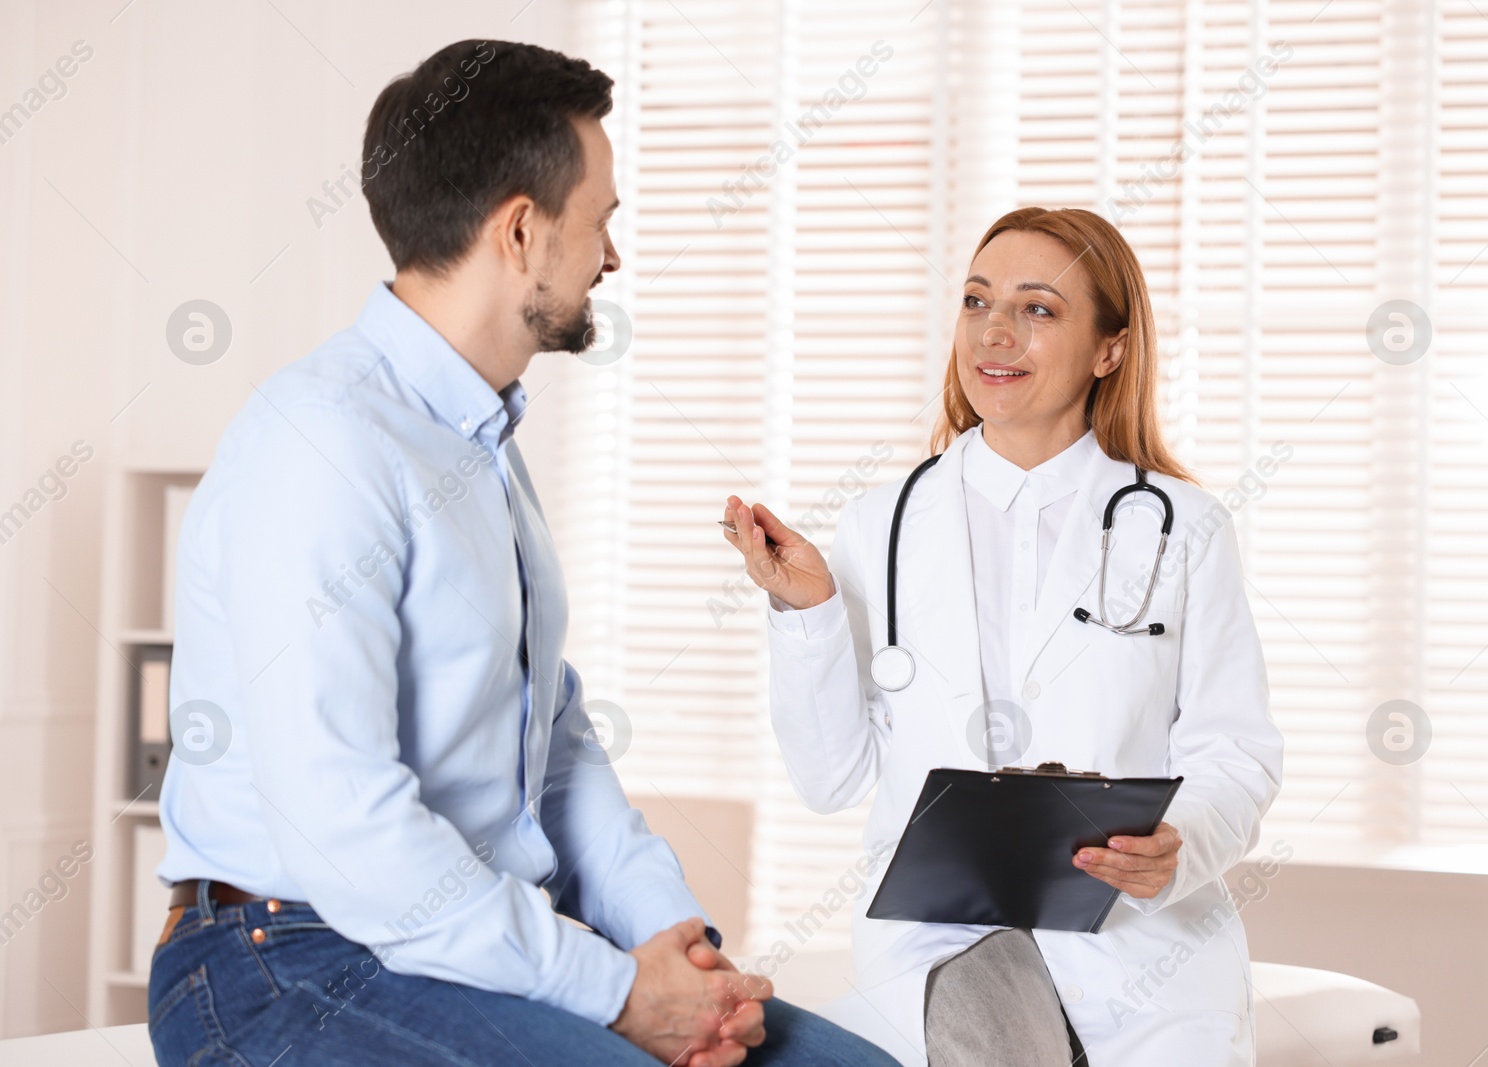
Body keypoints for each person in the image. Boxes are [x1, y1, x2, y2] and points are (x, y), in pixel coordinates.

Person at [149, 39, 898, 1067]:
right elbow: (345, 828)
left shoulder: (478, 445)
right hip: (290, 957)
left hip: (461, 943)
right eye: (602, 223)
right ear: (519, 230)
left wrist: (680, 957)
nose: (612, 258)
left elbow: (560, 751)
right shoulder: (320, 441)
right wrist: (616, 990)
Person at [723, 206, 1285, 1066]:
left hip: (1133, 938)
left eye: (1039, 308)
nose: (997, 331)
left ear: (1111, 349)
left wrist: (1181, 843)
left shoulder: (1184, 528)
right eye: (977, 300)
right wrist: (809, 614)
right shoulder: (883, 526)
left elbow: (1235, 752)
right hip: (944, 933)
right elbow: (831, 777)